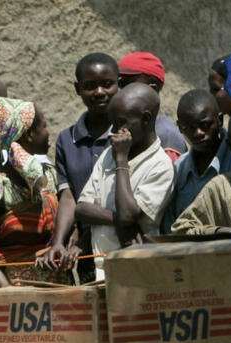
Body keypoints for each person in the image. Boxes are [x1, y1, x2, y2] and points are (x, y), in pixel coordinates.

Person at [63, 84, 175, 274]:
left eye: (121, 123)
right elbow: (81, 209)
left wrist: (121, 161)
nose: (114, 130)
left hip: (136, 269)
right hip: (100, 267)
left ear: (146, 119)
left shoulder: (160, 166)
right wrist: (116, 221)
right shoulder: (109, 154)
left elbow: (128, 215)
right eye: (112, 123)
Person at [0, 96, 60, 288]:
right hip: (13, 290)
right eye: (44, 127)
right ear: (28, 134)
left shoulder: (49, 175)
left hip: (58, 284)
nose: (48, 133)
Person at [48, 53, 119, 280]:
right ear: (77, 89)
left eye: (107, 84)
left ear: (120, 84)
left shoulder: (127, 134)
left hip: (124, 245)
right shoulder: (67, 140)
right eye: (90, 86)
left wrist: (83, 239)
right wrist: (59, 242)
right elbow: (68, 197)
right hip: (87, 258)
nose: (99, 92)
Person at [162, 89, 231, 232]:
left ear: (219, 120)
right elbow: (171, 226)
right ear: (179, 128)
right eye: (189, 128)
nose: (198, 133)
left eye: (205, 125)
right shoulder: (179, 169)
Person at [117, 52, 187, 154]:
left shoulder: (166, 135)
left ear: (153, 89)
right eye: (121, 84)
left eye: (130, 85)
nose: (124, 91)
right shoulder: (130, 128)